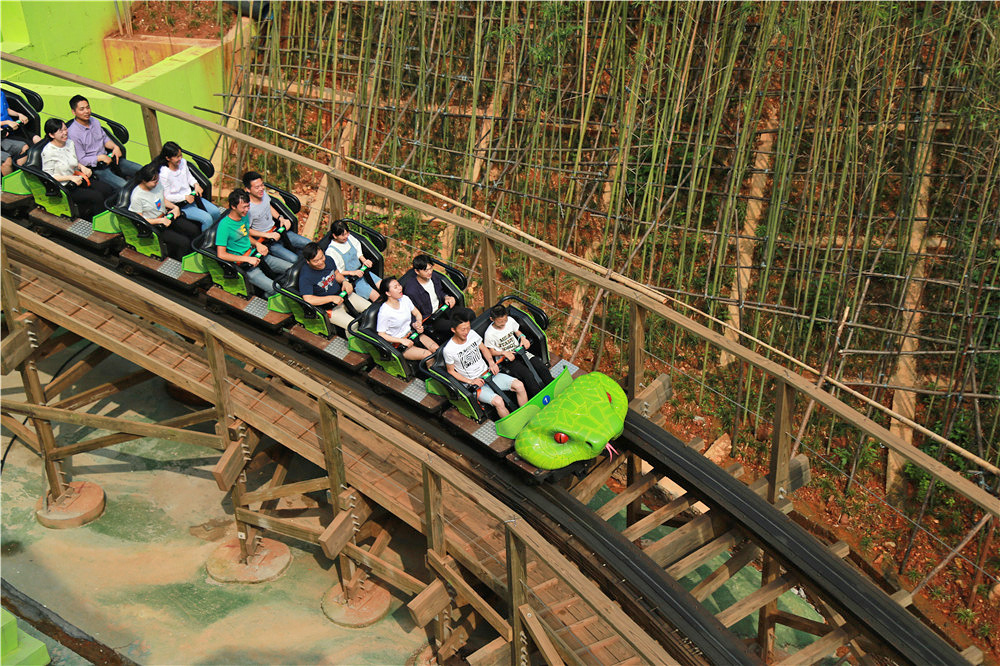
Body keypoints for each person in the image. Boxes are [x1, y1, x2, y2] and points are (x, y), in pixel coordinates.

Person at [443, 307, 526, 418]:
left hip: (488, 373)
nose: (466, 332)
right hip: (475, 384)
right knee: (498, 401)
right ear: (454, 330)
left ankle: (526, 414)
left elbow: (483, 348)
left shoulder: (472, 334)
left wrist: (491, 363)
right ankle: (513, 424)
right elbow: (451, 371)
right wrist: (471, 381)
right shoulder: (449, 350)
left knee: (519, 385)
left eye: (468, 328)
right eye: (463, 329)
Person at [215, 189, 294, 297]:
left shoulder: (244, 216)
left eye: (248, 206)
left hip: (255, 254)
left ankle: (267, 292)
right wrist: (247, 259)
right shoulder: (224, 226)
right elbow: (221, 254)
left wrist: (257, 244)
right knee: (277, 290)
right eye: (244, 207)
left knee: (292, 269)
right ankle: (266, 296)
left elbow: (245, 234)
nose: (247, 210)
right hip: (244, 265)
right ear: (233, 207)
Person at [40, 118, 115, 219]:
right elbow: (48, 176)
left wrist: (82, 167)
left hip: (78, 178)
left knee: (107, 189)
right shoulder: (48, 152)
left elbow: (73, 161)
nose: (65, 133)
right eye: (60, 131)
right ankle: (96, 223)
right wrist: (70, 178)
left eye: (65, 129)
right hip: (65, 186)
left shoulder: (69, 143)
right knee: (97, 197)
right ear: (51, 135)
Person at [127, 162, 200, 261]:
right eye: (154, 181)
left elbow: (162, 199)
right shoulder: (137, 196)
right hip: (155, 225)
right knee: (184, 242)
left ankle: (194, 255)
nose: (157, 183)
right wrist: (160, 221)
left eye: (157, 180)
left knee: (194, 230)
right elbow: (139, 219)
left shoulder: (157, 185)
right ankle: (179, 262)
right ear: (144, 181)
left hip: (166, 216)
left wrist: (175, 207)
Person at [67, 95, 141, 190]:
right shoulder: (73, 133)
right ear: (74, 112)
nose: (86, 111)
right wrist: (100, 158)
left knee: (143, 170)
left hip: (110, 159)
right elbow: (81, 159)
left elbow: (105, 139)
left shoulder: (95, 121)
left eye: (88, 107)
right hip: (96, 168)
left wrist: (115, 147)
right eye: (82, 109)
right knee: (125, 186)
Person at [297, 242, 370, 330]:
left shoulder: (328, 259)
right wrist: (331, 298)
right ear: (308, 261)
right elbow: (308, 299)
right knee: (352, 326)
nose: (321, 262)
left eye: (321, 257)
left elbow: (336, 274)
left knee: (370, 310)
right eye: (316, 261)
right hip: (329, 307)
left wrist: (344, 281)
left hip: (342, 296)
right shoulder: (306, 276)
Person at [483, 304, 551, 397]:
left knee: (540, 366)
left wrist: (523, 338)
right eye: (500, 322)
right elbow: (490, 351)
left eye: (505, 320)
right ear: (492, 319)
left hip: (520, 352)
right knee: (527, 375)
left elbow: (517, 331)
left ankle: (553, 387)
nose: (503, 324)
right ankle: (540, 397)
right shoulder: (489, 334)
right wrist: (503, 352)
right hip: (507, 360)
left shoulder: (510, 321)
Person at [242, 171, 310, 263]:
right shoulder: (247, 209)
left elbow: (268, 207)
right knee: (294, 260)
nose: (261, 189)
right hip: (267, 240)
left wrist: (280, 218)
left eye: (262, 185)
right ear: (248, 189)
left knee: (308, 244)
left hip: (277, 230)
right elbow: (246, 230)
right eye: (257, 187)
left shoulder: (263, 194)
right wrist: (267, 235)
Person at [155, 141, 223, 231]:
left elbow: (189, 177)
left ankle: (214, 234)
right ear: (168, 158)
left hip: (193, 198)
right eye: (177, 157)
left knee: (215, 212)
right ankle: (204, 243)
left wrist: (196, 184)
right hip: (181, 204)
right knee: (207, 219)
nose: (180, 158)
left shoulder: (183, 163)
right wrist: (184, 197)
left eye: (180, 155)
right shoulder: (164, 174)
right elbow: (167, 196)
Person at [376, 277, 438, 361]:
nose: (400, 288)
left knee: (436, 349)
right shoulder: (384, 311)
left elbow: (416, 313)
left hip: (412, 334)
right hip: (399, 344)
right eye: (395, 287)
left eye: (399, 285)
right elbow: (381, 334)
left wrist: (418, 323)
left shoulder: (405, 299)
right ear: (388, 293)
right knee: (428, 356)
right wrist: (401, 341)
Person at [402, 253, 457, 342]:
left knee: (468, 314)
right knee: (455, 326)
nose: (430, 272)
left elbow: (440, 292)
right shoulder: (411, 290)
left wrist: (446, 297)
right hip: (431, 319)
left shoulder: (434, 277)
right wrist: (416, 323)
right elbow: (411, 311)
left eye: (431, 268)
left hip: (442, 309)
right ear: (417, 271)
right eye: (426, 270)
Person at [325, 219, 381, 302]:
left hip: (363, 271)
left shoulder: (349, 238)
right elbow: (337, 271)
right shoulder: (331, 251)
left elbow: (358, 251)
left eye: (347, 233)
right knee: (376, 297)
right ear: (335, 236)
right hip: (353, 279)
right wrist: (353, 273)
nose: (346, 236)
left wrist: (364, 260)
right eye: (343, 235)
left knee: (384, 285)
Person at [1, 90, 37, 176]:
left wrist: (18, 114)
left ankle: (22, 176)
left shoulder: (1, 94)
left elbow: (7, 109)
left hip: (5, 134)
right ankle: (7, 187)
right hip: (4, 131)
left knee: (24, 147)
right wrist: (6, 123)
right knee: (7, 160)